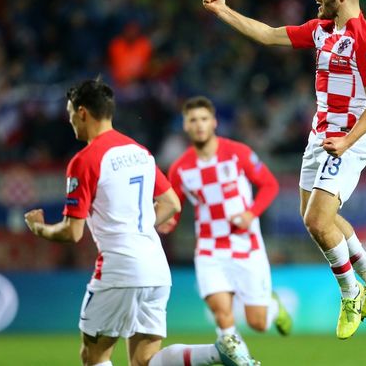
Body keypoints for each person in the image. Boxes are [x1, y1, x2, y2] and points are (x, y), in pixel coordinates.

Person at [202, 0, 366, 340]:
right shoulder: (323, 29)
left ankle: (351, 293)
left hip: (347, 140)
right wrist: (222, 10)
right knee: (318, 219)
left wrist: (346, 141)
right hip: (319, 137)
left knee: (318, 221)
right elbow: (268, 35)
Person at [24, 79, 259, 366]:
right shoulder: (140, 152)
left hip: (118, 268)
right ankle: (216, 351)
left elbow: (72, 232)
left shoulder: (85, 160)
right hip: (156, 267)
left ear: (83, 112)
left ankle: (218, 351)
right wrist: (144, 224)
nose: (70, 119)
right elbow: (171, 203)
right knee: (145, 360)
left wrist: (39, 228)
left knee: (94, 355)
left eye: (70, 112)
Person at [161, 96, 292, 357]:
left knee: (258, 323)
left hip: (247, 245)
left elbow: (270, 185)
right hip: (210, 249)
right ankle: (241, 360)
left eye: (203, 119)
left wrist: (250, 213)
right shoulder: (179, 169)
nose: (199, 125)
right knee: (223, 317)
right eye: (193, 120)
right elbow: (173, 208)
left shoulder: (238, 153)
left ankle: (273, 308)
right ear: (185, 126)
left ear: (214, 122)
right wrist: (168, 222)